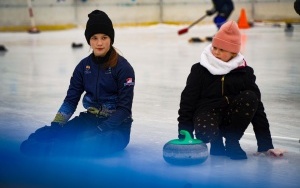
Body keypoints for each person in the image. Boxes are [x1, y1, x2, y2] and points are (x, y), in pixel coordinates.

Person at [20, 10, 135, 157]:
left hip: (117, 129)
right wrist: (56, 125)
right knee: (44, 136)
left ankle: (56, 151)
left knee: (85, 144)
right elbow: (70, 100)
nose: (99, 43)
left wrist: (101, 129)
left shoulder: (123, 68)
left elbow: (124, 110)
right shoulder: (83, 66)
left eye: (104, 37)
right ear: (89, 40)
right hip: (89, 120)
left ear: (110, 39)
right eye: (94, 38)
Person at [177, 20, 285, 160]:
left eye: (222, 50)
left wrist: (265, 144)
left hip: (232, 116)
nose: (216, 52)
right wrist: (185, 133)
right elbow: (187, 101)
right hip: (207, 113)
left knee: (251, 97)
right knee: (205, 131)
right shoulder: (199, 69)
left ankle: (232, 141)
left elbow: (258, 109)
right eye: (215, 47)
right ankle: (216, 143)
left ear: (233, 52)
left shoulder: (244, 72)